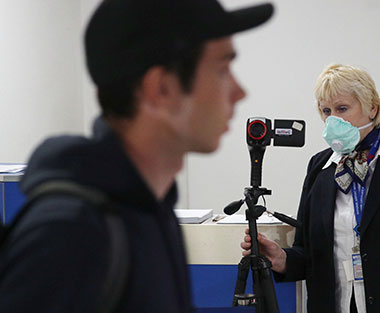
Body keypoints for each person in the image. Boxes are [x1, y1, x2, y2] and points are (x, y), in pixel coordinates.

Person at [0, 0, 274, 312]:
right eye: (223, 69)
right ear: (161, 88)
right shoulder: (71, 235)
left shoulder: (149, 208)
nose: (240, 92)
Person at [241, 64, 380, 313]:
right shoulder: (321, 167)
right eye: (326, 111)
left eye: (342, 108)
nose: (333, 119)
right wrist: (281, 258)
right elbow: (310, 253)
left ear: (371, 107)